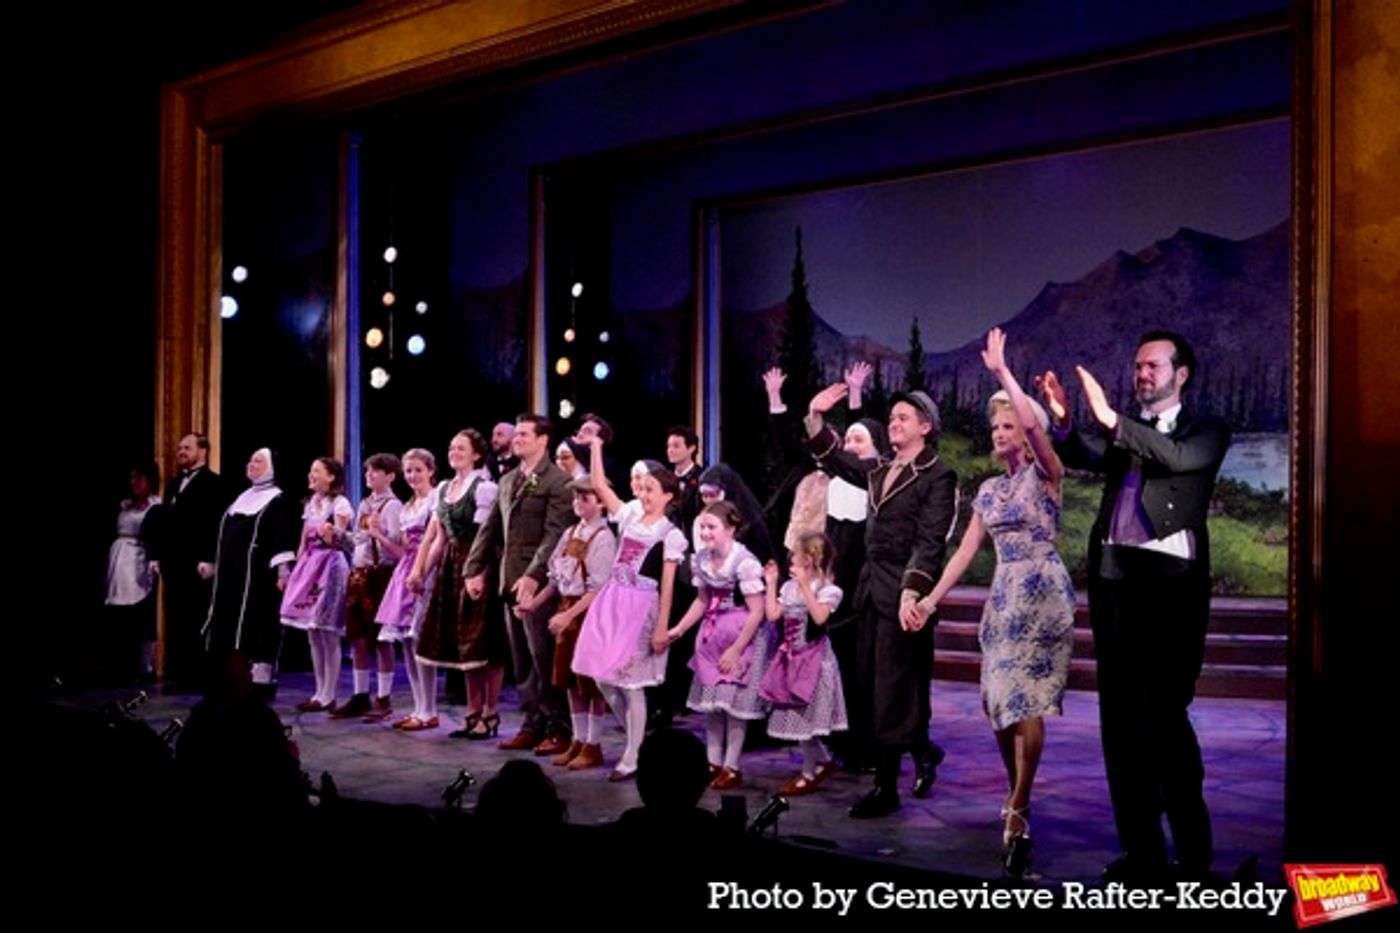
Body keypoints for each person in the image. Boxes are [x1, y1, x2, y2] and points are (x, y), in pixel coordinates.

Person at [1040, 330, 1230, 882]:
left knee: (1165, 721)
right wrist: (1068, 422)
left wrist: (1110, 416)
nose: (1141, 374)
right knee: (1121, 725)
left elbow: (1176, 458)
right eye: (1138, 366)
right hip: (1117, 579)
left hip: (1170, 585)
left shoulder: (1207, 430)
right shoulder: (1128, 434)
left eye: (1152, 366)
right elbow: (1087, 457)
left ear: (1181, 373)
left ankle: (1193, 853)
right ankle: (1142, 851)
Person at [918, 328, 1076, 875]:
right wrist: (931, 598)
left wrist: (1003, 375)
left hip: (1044, 597)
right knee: (997, 703)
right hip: (1004, 597)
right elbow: (963, 553)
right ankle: (1016, 792)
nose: (1000, 431)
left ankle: (1021, 803)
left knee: (1028, 699)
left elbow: (1038, 428)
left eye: (1009, 424)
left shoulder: (1046, 475)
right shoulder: (987, 490)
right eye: (995, 425)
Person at [805, 384, 957, 817]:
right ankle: (919, 753)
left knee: (894, 690)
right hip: (870, 589)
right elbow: (835, 458)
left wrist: (914, 591)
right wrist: (815, 417)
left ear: (926, 427)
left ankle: (886, 787)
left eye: (903, 418)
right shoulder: (879, 469)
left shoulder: (937, 475)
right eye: (891, 418)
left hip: (904, 593)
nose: (894, 423)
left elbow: (930, 543)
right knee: (873, 686)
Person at [572, 449, 686, 781]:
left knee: (632, 683)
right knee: (603, 676)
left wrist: (662, 626)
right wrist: (596, 448)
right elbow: (599, 485)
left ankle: (634, 754)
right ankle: (639, 739)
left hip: (641, 605)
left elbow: (667, 587)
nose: (645, 494)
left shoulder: (670, 534)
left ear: (668, 496)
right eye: (643, 488)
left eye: (652, 489)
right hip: (613, 600)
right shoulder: (631, 515)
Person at [465, 414, 576, 754]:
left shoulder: (558, 481)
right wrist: (473, 568)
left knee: (543, 655)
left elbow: (555, 534)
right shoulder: (509, 478)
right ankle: (532, 723)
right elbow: (491, 528)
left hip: (539, 583)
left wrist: (533, 574)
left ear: (543, 440)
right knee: (521, 659)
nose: (518, 439)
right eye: (518, 434)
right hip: (509, 578)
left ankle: (558, 725)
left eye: (525, 434)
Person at [662, 501, 768, 789]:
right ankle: (712, 761)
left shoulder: (744, 563)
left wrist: (736, 650)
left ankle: (732, 765)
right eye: (703, 527)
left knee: (732, 705)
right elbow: (702, 600)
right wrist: (680, 629)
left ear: (731, 529)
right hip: (711, 635)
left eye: (712, 527)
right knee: (712, 705)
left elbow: (757, 611)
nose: (706, 533)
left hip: (739, 636)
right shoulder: (702, 560)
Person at [514, 476, 617, 769]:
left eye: (585, 498)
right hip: (566, 609)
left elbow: (597, 589)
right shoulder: (571, 532)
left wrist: (569, 615)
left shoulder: (604, 538)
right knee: (569, 682)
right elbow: (556, 579)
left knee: (589, 684)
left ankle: (593, 744)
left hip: (588, 614)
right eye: (576, 498)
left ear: (600, 503)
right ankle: (578, 739)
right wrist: (532, 605)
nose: (578, 504)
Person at [411, 430, 500, 734]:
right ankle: (472, 710)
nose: (454, 452)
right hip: (451, 564)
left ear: (476, 454)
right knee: (463, 645)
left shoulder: (484, 488)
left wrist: (478, 574)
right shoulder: (445, 489)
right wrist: (421, 571)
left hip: (476, 563)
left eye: (461, 448)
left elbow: (485, 538)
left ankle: (490, 711)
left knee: (482, 641)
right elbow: (439, 539)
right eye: (451, 447)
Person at [202, 447, 299, 701]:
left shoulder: (278, 499)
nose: (251, 464)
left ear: (271, 468)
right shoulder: (241, 498)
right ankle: (230, 673)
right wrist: (212, 563)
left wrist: (283, 571)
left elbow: (283, 536)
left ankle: (260, 677)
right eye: (251, 460)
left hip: (259, 578)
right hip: (231, 575)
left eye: (258, 461)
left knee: (258, 621)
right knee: (227, 618)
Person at [761, 532, 847, 797]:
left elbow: (819, 617)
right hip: (791, 657)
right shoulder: (789, 588)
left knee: (808, 718)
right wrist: (772, 583)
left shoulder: (828, 590)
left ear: (809, 559)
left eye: (796, 556)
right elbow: (773, 614)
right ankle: (823, 761)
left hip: (814, 660)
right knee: (797, 715)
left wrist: (807, 587)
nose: (791, 560)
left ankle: (810, 770)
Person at [150, 432, 228, 688]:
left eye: (187, 447)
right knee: (175, 618)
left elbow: (215, 524)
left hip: (198, 564)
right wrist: (157, 555)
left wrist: (210, 559)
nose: (181, 451)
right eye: (179, 447)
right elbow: (164, 523)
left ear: (203, 451)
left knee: (196, 618)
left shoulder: (215, 483)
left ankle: (199, 675)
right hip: (173, 562)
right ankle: (179, 674)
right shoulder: (173, 484)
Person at [331, 453, 404, 721]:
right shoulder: (364, 504)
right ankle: (361, 695)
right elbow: (358, 543)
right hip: (358, 573)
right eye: (367, 472)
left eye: (375, 472)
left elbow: (398, 547)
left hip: (380, 575)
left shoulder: (393, 506)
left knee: (381, 639)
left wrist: (378, 534)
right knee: (357, 637)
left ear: (390, 476)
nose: (369, 476)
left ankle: (383, 698)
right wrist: (339, 537)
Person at [280, 457, 354, 712]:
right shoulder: (312, 502)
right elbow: (303, 540)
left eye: (316, 471)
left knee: (328, 632)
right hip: (310, 567)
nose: (311, 475)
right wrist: (297, 572)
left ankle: (329, 693)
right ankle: (318, 691)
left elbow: (341, 541)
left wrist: (331, 534)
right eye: (310, 470)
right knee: (313, 633)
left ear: (331, 476)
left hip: (330, 567)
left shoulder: (339, 503)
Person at [375, 448, 441, 729]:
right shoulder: (407, 506)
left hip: (427, 569)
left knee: (421, 641)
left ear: (430, 471)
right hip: (406, 571)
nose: (413, 475)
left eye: (418, 469)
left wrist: (423, 571)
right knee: (406, 642)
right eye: (409, 470)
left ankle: (429, 710)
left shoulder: (435, 499)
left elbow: (438, 538)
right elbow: (403, 549)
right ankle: (418, 708)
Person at [105, 462, 162, 682]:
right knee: (119, 613)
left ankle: (144, 666)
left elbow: (157, 533)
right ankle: (120, 664)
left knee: (141, 613)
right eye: (132, 478)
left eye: (139, 478)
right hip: (119, 558)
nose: (134, 483)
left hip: (139, 558)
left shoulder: (155, 507)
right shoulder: (124, 505)